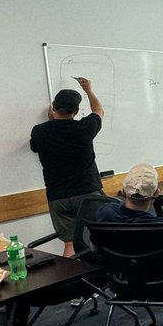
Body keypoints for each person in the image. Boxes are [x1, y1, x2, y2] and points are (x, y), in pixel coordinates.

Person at [30, 77, 105, 256]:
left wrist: (51, 122)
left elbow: (34, 147)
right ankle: (100, 280)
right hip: (87, 193)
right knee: (98, 239)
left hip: (58, 196)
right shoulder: (84, 128)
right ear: (77, 111)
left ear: (53, 107)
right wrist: (88, 90)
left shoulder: (39, 131)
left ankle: (73, 282)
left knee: (70, 245)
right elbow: (98, 110)